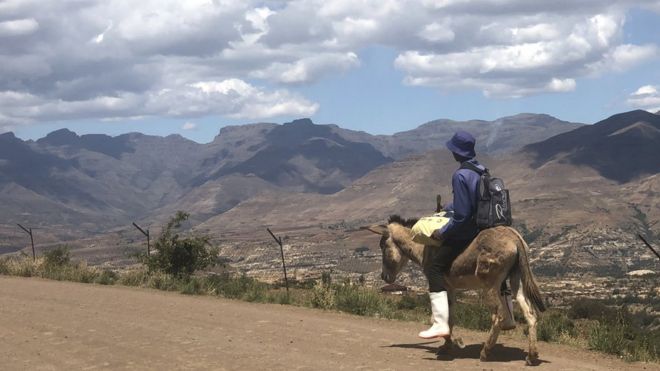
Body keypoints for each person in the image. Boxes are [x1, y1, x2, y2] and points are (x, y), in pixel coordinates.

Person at [418, 130, 515, 339]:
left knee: (434, 268)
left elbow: (462, 216)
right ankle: (508, 315)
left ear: (457, 152)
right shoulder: (480, 170)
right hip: (482, 228)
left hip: (466, 232)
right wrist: (447, 207)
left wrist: (442, 232)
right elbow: (472, 201)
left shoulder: (460, 175)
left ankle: (440, 323)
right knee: (501, 274)